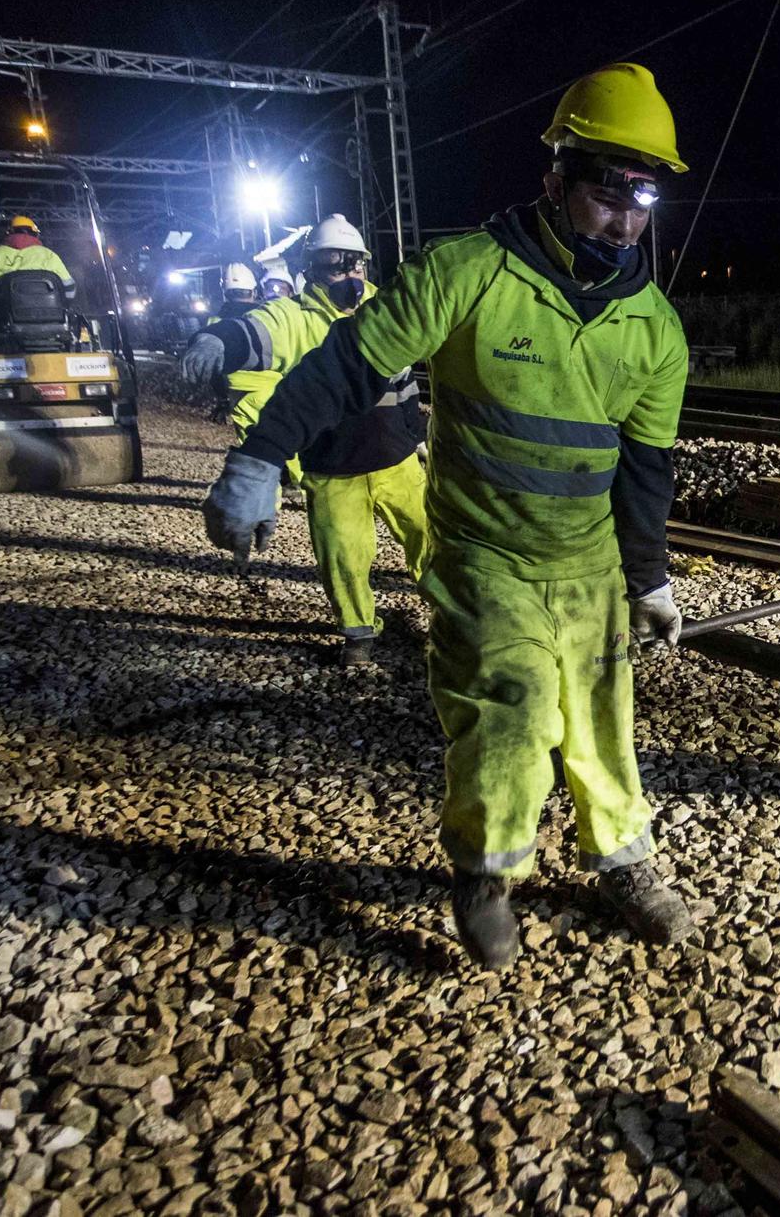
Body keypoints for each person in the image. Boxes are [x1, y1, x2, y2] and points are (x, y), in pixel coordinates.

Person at [201, 64, 696, 964]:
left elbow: (645, 471)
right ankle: (485, 871)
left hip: (585, 566)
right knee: (507, 711)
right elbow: (344, 367)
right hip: (484, 557)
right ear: (556, 179)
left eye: (644, 195)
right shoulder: (466, 275)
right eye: (607, 189)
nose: (625, 217)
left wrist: (650, 577)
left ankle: (624, 861)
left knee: (601, 717)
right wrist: (260, 456)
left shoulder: (655, 328)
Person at [184, 219, 429, 664]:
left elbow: (409, 382)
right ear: (311, 270)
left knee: (431, 539)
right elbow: (254, 331)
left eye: (356, 264)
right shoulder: (296, 317)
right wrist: (218, 338)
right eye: (336, 265)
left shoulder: (385, 308)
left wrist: (420, 438)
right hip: (333, 469)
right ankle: (359, 636)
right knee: (343, 557)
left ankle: (452, 618)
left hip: (397, 461)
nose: (350, 275)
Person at [0, 215, 74, 288]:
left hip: (5, 315)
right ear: (35, 234)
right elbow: (69, 290)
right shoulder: (49, 255)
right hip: (50, 314)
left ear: (8, 233)